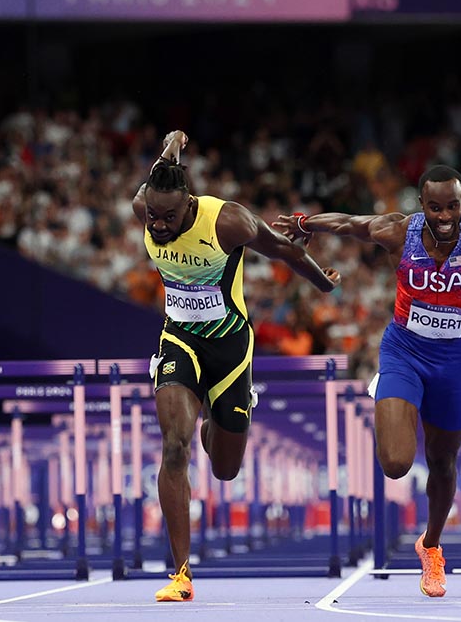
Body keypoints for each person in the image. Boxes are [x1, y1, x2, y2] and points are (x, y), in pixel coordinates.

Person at [275, 164, 461, 598]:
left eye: (452, 206)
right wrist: (305, 223)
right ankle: (392, 395)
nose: (445, 216)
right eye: (435, 207)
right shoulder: (400, 231)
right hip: (403, 350)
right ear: (422, 205)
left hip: (451, 360)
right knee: (396, 463)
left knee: (443, 462)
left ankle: (431, 546)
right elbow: (349, 223)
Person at [138, 131, 339, 602]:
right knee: (173, 447)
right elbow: (156, 173)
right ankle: (181, 574)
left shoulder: (229, 221)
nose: (160, 225)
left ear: (189, 203)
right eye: (153, 216)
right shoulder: (144, 206)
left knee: (226, 469)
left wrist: (321, 284)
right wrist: (170, 149)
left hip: (230, 350)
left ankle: (222, 409)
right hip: (179, 340)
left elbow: (285, 250)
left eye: (169, 216)